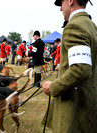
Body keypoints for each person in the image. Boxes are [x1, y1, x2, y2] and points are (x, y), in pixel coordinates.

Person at [42, 0, 97, 132]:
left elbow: (81, 70)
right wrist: (65, 66)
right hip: (89, 102)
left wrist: (53, 86)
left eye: (61, 4)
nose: (60, 9)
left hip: (75, 106)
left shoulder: (74, 26)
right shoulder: (91, 25)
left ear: (70, 1)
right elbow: (88, 62)